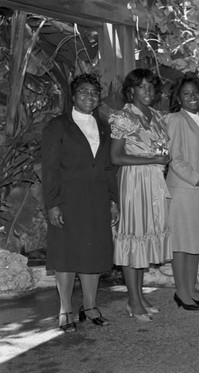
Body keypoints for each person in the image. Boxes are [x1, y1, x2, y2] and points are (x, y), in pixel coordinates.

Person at [42, 74, 119, 332]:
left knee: (93, 254)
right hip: (68, 199)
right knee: (66, 254)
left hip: (97, 199)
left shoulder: (105, 126)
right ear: (73, 96)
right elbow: (50, 168)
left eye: (94, 93)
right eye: (84, 92)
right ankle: (65, 309)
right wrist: (52, 203)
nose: (90, 96)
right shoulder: (58, 126)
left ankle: (90, 306)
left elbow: (108, 167)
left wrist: (113, 201)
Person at [110, 68, 172, 321]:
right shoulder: (123, 117)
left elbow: (162, 149)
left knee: (145, 237)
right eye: (141, 87)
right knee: (133, 236)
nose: (147, 91)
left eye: (151, 87)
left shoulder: (156, 115)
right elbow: (115, 156)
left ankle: (139, 294)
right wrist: (149, 159)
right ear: (131, 90)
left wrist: (163, 158)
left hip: (154, 180)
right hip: (134, 181)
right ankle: (133, 300)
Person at [166, 72, 199, 311]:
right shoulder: (175, 119)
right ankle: (181, 292)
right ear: (178, 97)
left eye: (195, 92)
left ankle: (191, 289)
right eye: (186, 93)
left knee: (195, 241)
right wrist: (198, 178)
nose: (192, 97)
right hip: (184, 189)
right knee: (182, 243)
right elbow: (174, 158)